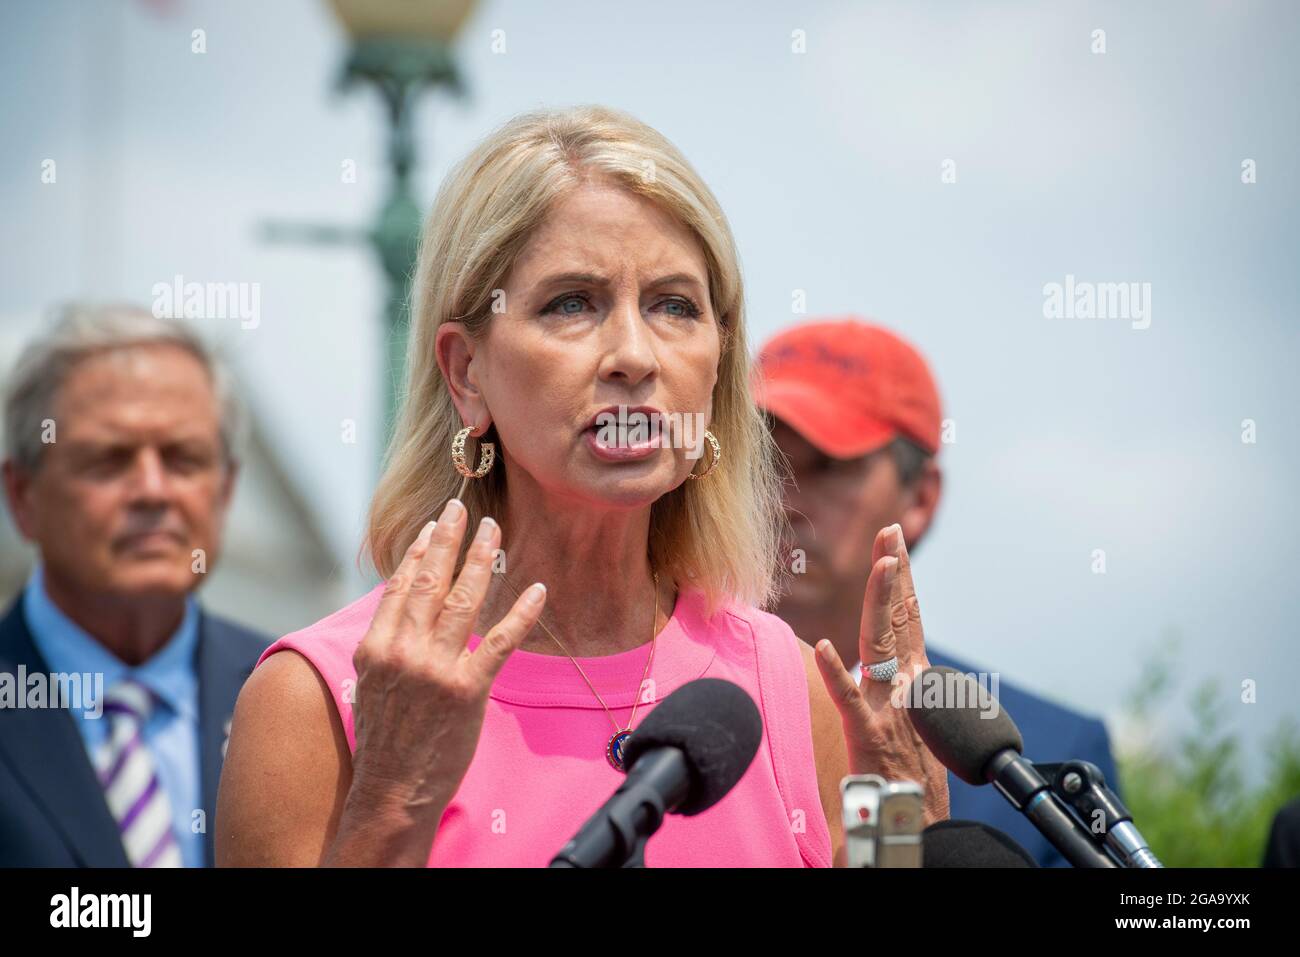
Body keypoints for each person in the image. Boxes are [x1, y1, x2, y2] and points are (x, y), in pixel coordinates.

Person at [215, 105, 950, 868]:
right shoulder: (318, 698)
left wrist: (907, 821)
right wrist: (393, 802)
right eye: (572, 303)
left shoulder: (797, 689)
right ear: (467, 371)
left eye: (674, 305)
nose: (634, 355)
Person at [753, 317, 1121, 867]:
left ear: (920, 498)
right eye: (762, 460)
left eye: (829, 466)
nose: (784, 500)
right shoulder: (633, 707)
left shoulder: (1041, 760)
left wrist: (898, 839)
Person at [0, 305, 269, 867]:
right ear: (23, 497)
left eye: (184, 459)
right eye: (109, 460)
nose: (152, 491)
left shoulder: (294, 695)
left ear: (224, 491)